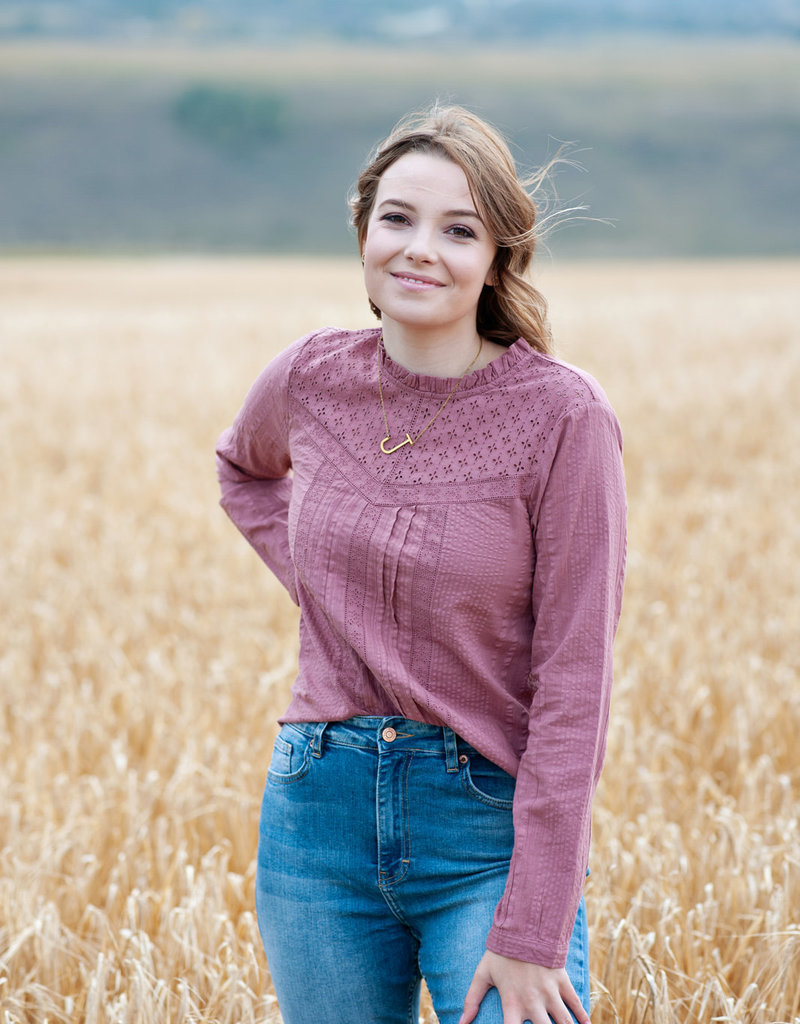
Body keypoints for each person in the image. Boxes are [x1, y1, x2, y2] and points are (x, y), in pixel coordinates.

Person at [216, 104, 626, 1024]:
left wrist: (532, 929)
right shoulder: (312, 375)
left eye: (459, 229)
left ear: (497, 258)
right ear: (363, 229)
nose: (420, 250)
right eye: (398, 218)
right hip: (315, 815)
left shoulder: (564, 419)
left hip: (484, 827)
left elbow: (577, 682)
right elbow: (242, 471)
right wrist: (338, 597)